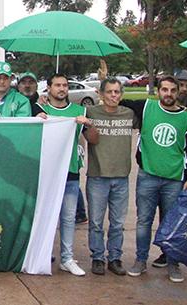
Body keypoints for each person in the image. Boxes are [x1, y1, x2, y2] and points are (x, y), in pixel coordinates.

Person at [120, 76, 187, 282]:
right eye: (164, 90)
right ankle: (140, 260)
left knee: (173, 223)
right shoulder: (147, 107)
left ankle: (173, 264)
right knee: (143, 221)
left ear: (177, 92)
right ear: (158, 91)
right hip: (148, 176)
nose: (168, 94)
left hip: (174, 179)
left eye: (173, 90)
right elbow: (119, 99)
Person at [38, 74, 94, 277]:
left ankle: (67, 258)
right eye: (57, 85)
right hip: (46, 172)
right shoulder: (40, 110)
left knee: (68, 218)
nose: (62, 89)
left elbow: (94, 139)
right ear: (49, 88)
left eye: (65, 85)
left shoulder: (79, 111)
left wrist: (88, 124)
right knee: (45, 216)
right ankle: (42, 254)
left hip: (69, 171)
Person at [84, 78, 138, 276]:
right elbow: (65, 112)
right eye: (109, 92)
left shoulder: (129, 114)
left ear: (121, 94)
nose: (113, 95)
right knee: (96, 222)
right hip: (97, 176)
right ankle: (98, 258)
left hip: (121, 177)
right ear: (101, 94)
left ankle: (115, 258)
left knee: (117, 223)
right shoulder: (90, 113)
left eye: (117, 92)